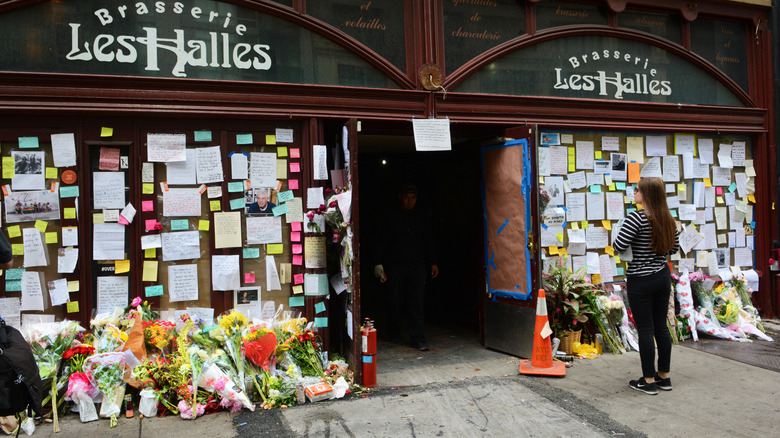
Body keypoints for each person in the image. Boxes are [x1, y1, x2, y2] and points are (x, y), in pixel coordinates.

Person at [613, 177, 679, 395]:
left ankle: (648, 380)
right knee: (661, 326)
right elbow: (674, 248)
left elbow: (619, 245)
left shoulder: (635, 219)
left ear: (647, 194)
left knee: (645, 329)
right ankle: (664, 377)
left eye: (637, 189)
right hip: (662, 276)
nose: (634, 192)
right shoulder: (668, 219)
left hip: (640, 280)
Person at [374, 184, 439, 351]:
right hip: (394, 264)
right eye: (407, 198)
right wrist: (378, 262)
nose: (410, 201)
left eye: (413, 198)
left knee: (416, 302)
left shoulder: (422, 217)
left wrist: (433, 262)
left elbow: (429, 240)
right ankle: (393, 332)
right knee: (394, 300)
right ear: (400, 198)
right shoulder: (390, 217)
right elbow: (381, 239)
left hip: (416, 264)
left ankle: (418, 338)